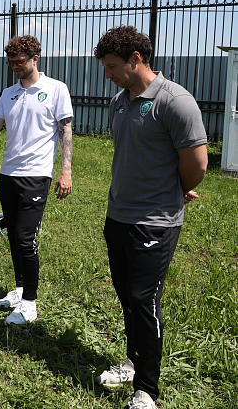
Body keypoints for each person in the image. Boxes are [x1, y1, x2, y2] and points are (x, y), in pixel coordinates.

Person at [93, 26, 207, 409]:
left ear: (136, 59)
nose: (107, 74)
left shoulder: (175, 101)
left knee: (144, 301)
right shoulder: (119, 102)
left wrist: (176, 188)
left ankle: (146, 391)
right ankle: (133, 361)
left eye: (112, 66)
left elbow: (197, 164)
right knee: (128, 298)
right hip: (118, 215)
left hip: (156, 221)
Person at [0, 35, 73, 325]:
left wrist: (66, 171)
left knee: (25, 238)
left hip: (36, 175)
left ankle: (29, 304)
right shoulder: (8, 93)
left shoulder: (56, 89)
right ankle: (21, 290)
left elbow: (65, 131)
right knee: (13, 235)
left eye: (20, 62)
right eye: (11, 63)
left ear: (35, 58)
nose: (15, 67)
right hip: (8, 174)